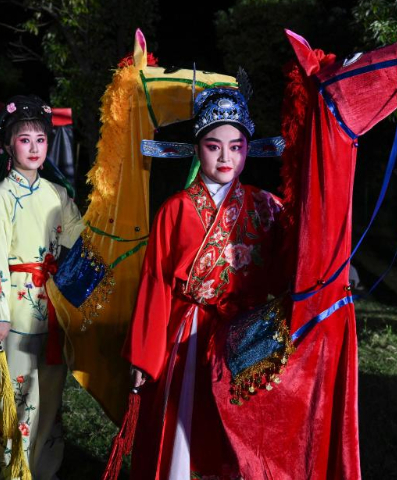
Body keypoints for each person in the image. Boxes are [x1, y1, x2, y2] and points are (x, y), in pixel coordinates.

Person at [125, 88, 288, 479]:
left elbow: (288, 269)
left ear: (249, 150)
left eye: (236, 147)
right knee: (184, 423)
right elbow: (155, 283)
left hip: (247, 336)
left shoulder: (268, 207)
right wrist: (144, 356)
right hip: (190, 334)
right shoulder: (175, 210)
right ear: (197, 149)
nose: (226, 158)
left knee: (237, 432)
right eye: (214, 147)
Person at [0, 95, 84, 479]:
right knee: (21, 396)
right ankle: (16, 470)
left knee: (51, 396)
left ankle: (45, 468)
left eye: (41, 139)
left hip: (52, 307)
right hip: (17, 311)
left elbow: (79, 239)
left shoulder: (57, 194)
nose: (35, 148)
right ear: (7, 145)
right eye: (25, 139)